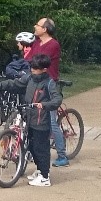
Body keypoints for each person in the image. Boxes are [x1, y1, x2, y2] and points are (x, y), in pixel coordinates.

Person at [0, 53, 62, 187]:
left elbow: (57, 99)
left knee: (41, 148)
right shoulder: (30, 78)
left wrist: (44, 105)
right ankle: (40, 170)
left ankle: (45, 177)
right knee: (31, 147)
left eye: (36, 68)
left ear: (44, 69)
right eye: (32, 67)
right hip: (29, 118)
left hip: (41, 121)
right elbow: (14, 84)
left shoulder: (49, 83)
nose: (33, 70)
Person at [27, 18, 68, 166]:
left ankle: (62, 155)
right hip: (36, 83)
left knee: (50, 122)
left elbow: (38, 61)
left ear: (45, 29)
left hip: (48, 85)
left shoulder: (53, 45)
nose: (35, 26)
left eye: (38, 25)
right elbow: (29, 60)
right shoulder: (36, 43)